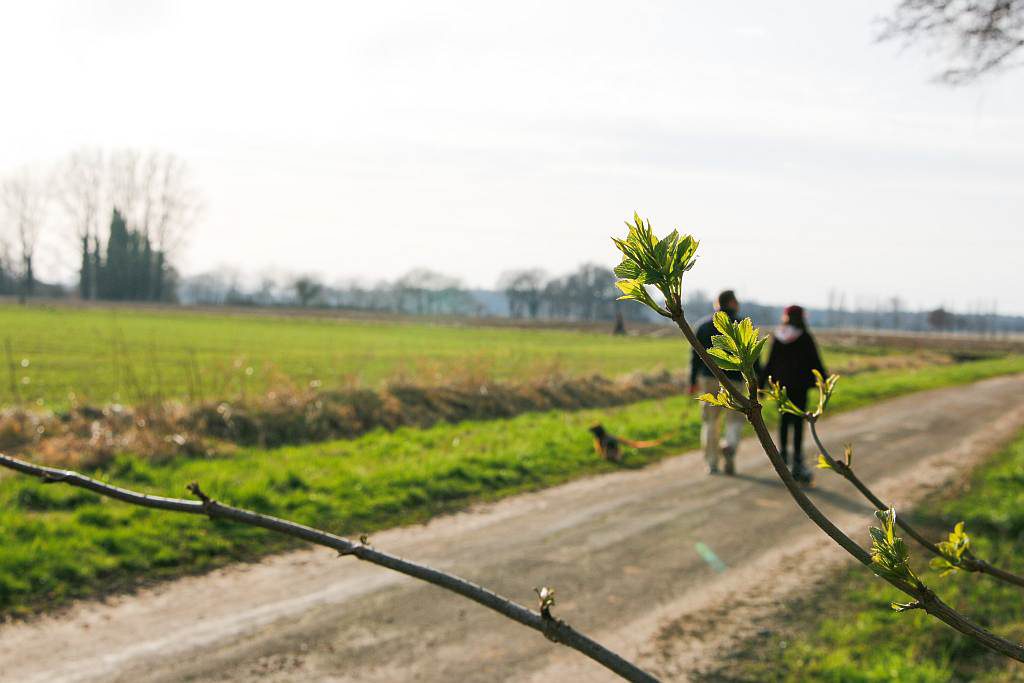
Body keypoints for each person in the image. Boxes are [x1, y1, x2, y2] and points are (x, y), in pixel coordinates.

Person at [689, 290, 757, 475]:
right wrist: (756, 381)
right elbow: (753, 356)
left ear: (717, 303)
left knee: (710, 420)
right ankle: (729, 445)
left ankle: (711, 463)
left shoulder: (703, 326)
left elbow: (695, 357)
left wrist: (692, 381)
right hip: (735, 379)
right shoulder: (741, 326)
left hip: (708, 377)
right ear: (733, 303)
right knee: (735, 419)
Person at [759, 305, 826, 484]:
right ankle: (797, 459)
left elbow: (769, 363)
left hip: (781, 387)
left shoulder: (779, 336)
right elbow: (816, 361)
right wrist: (824, 382)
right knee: (797, 422)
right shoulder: (805, 337)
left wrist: (760, 384)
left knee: (784, 421)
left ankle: (782, 457)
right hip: (800, 387)